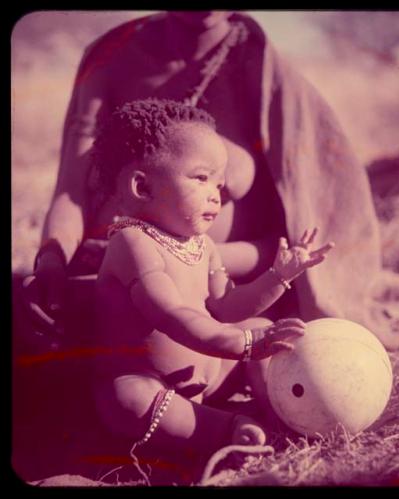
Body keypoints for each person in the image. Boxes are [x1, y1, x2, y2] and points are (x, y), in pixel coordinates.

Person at [23, 11, 399, 350]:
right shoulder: (111, 56)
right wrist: (52, 261)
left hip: (224, 291)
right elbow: (71, 193)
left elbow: (292, 220)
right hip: (108, 271)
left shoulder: (260, 67)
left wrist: (189, 262)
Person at [90, 97, 334, 470]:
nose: (214, 196)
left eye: (219, 185)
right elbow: (172, 314)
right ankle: (225, 431)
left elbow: (226, 305)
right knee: (129, 399)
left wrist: (278, 277)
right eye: (200, 178)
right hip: (154, 386)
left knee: (261, 327)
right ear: (142, 187)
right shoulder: (131, 243)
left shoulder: (201, 245)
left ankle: (280, 408)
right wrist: (244, 344)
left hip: (210, 373)